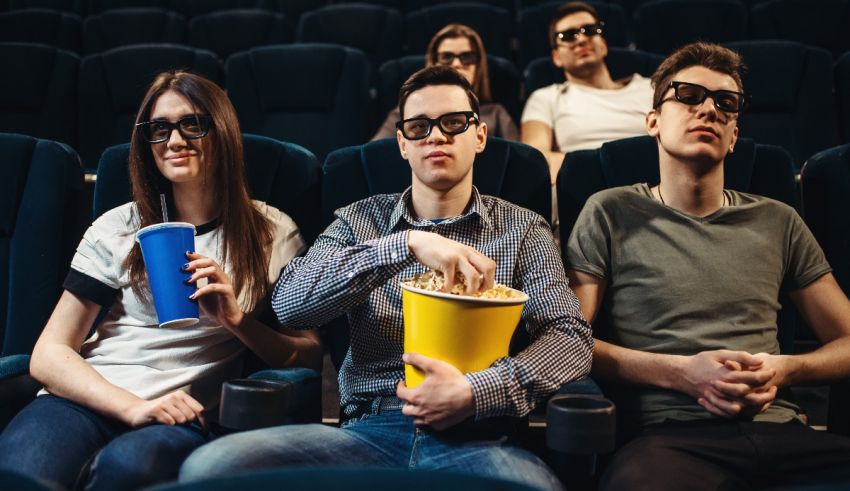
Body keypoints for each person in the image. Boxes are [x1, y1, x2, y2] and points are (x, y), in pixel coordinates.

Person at [180, 66, 592, 491]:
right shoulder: (359, 220)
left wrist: (476, 391)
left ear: (480, 135)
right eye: (419, 127)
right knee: (212, 468)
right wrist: (404, 246)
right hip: (369, 430)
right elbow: (291, 303)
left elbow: (570, 337)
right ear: (402, 144)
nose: (436, 136)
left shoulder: (522, 228)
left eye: (453, 123)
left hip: (480, 435)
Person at [0, 71, 322, 491]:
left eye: (192, 124)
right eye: (159, 129)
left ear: (221, 131)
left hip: (183, 412)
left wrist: (235, 319)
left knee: (127, 470)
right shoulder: (117, 226)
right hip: (89, 397)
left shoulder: (272, 231)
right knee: (22, 472)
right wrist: (132, 407)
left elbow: (308, 356)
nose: (174, 141)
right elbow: (49, 353)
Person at [565, 42, 850, 490]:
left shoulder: (778, 219)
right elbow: (569, 343)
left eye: (726, 102)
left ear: (734, 135)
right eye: (689, 96)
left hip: (779, 430)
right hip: (668, 438)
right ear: (653, 123)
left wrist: (785, 369)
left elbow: (848, 339)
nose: (710, 109)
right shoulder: (608, 211)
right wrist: (681, 373)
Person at [521, 1, 653, 184]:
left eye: (590, 30)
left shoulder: (650, 88)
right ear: (556, 57)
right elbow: (536, 162)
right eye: (568, 36)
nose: (581, 40)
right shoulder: (545, 98)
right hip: (584, 190)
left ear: (604, 45)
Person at [372, 23, 518, 141]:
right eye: (447, 57)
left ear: (478, 65)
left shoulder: (496, 113)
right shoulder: (409, 110)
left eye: (467, 57)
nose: (456, 63)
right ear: (434, 62)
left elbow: (517, 160)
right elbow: (375, 152)